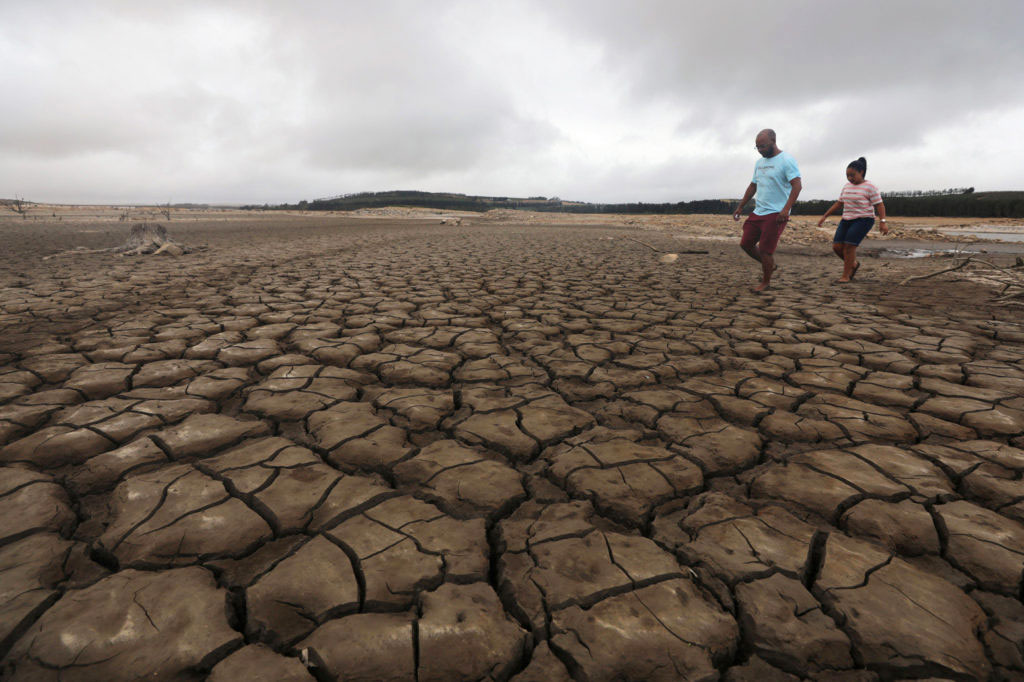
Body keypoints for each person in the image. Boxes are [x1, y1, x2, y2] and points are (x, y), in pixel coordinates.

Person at [732, 129, 802, 292]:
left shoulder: (786, 160)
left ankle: (766, 282)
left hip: (776, 213)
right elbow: (753, 186)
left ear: (773, 141)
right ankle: (771, 265)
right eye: (757, 147)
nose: (760, 150)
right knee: (746, 243)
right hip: (759, 211)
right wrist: (741, 206)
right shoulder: (759, 163)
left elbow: (797, 185)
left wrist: (786, 209)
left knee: (765, 249)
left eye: (763, 146)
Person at [816, 157, 889, 283]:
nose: (850, 178)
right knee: (837, 247)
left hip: (864, 220)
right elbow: (839, 203)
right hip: (846, 220)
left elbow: (879, 205)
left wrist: (882, 222)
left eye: (852, 175)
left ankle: (846, 276)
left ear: (861, 172)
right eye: (847, 175)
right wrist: (825, 216)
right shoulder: (846, 187)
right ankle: (853, 264)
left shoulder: (870, 186)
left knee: (849, 247)